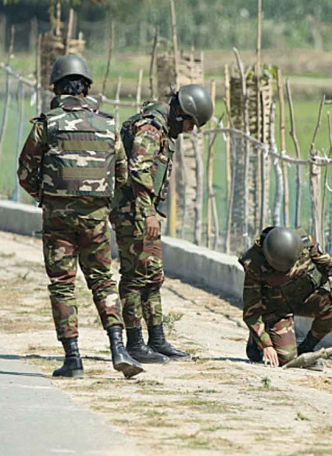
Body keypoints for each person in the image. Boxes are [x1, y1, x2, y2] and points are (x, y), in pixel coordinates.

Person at [17, 54, 143, 379]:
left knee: (62, 285)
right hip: (96, 217)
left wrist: (47, 197)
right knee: (102, 280)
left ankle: (73, 359)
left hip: (57, 218)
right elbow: (123, 175)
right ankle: (118, 347)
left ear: (57, 88)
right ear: (86, 88)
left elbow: (25, 172)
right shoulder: (108, 124)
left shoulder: (48, 124)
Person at [111, 84, 214, 363]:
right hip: (132, 211)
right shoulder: (151, 127)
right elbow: (138, 169)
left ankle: (156, 340)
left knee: (153, 275)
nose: (191, 130)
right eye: (192, 123)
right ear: (182, 112)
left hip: (141, 210)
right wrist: (148, 213)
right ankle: (134, 343)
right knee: (134, 277)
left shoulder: (162, 126)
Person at [239, 226, 332, 367]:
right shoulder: (254, 263)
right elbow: (251, 311)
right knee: (285, 359)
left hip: (304, 298)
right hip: (277, 309)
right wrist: (266, 344)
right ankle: (256, 341)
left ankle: (306, 348)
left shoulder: (305, 244)